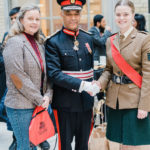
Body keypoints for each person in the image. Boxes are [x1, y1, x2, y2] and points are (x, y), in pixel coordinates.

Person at [96, 0, 150, 149]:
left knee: (133, 145)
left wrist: (145, 106)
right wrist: (99, 83)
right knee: (116, 144)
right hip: (115, 101)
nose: (122, 18)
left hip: (135, 101)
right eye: (118, 14)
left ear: (132, 15)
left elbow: (148, 75)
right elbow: (108, 69)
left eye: (126, 14)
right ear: (114, 16)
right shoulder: (110, 40)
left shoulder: (144, 39)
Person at [45, 0, 99, 150]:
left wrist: (95, 84)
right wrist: (82, 84)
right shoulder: (53, 41)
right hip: (65, 104)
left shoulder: (87, 38)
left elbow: (90, 69)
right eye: (69, 13)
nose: (73, 18)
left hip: (86, 103)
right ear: (61, 13)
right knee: (65, 145)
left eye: (77, 13)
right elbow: (54, 73)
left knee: (83, 145)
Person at [3, 4, 53, 150]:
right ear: (21, 20)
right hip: (20, 107)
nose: (34, 22)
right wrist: (40, 98)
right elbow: (17, 77)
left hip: (38, 104)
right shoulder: (14, 42)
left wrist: (48, 95)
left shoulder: (38, 42)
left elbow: (46, 73)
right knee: (25, 146)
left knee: (34, 145)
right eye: (30, 18)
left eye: (37, 19)